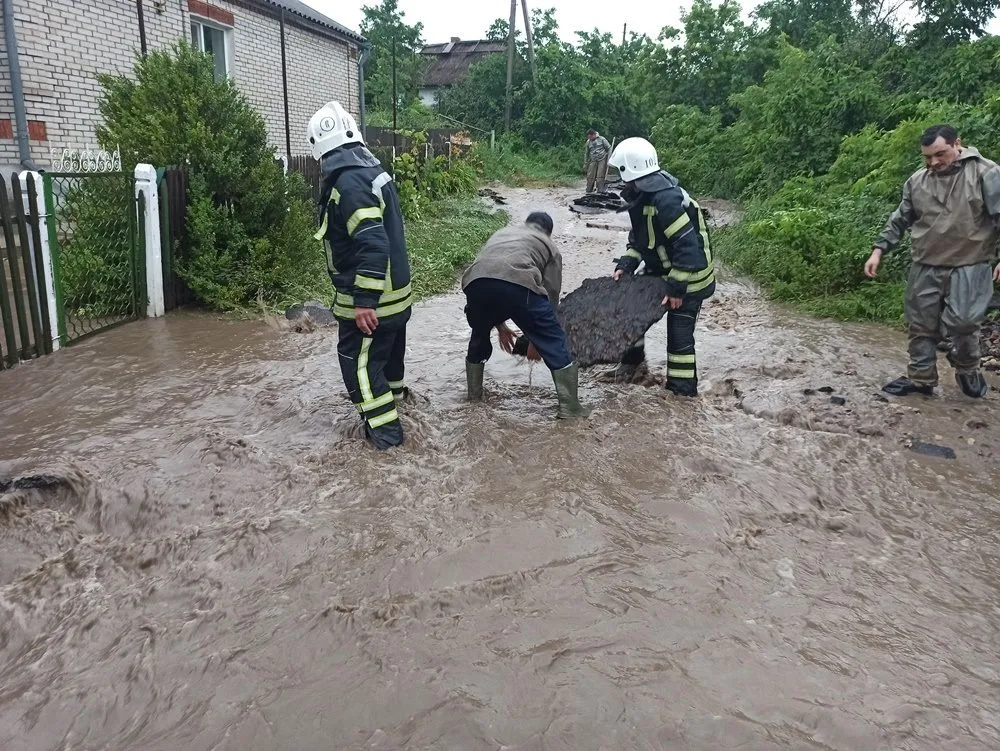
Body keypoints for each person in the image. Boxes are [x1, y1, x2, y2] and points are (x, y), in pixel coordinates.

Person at [865, 124, 1000, 399]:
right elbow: (900, 218)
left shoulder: (986, 173)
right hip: (926, 263)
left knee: (964, 322)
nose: (934, 162)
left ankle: (967, 368)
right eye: (927, 157)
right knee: (921, 324)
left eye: (940, 154)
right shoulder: (917, 181)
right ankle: (921, 378)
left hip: (970, 262)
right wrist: (878, 250)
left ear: (957, 144)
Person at [308, 101, 412, 450]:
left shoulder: (348, 184)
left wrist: (365, 302)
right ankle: (403, 411)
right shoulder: (371, 171)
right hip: (397, 299)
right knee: (387, 366)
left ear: (320, 150)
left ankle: (389, 444)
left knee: (361, 369)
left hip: (373, 306)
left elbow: (372, 242)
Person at [607, 137, 716, 396]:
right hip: (663, 271)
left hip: (689, 277)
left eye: (620, 171)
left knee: (679, 338)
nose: (619, 178)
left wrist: (677, 288)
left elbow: (687, 246)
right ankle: (632, 368)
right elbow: (641, 240)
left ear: (629, 170)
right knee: (630, 310)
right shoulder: (642, 196)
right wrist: (628, 264)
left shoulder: (666, 200)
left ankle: (682, 394)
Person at [461, 212, 588, 419]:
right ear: (549, 232)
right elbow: (551, 293)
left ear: (527, 223)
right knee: (555, 340)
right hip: (519, 285)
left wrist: (498, 324)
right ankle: (571, 410)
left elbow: (492, 275)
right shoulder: (549, 245)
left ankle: (474, 397)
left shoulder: (503, 233)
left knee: (479, 335)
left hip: (475, 283)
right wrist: (537, 337)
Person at [584, 129, 612, 194]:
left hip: (602, 159)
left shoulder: (602, 139)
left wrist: (609, 159)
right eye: (589, 137)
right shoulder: (588, 142)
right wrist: (585, 162)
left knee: (600, 176)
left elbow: (609, 148)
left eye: (591, 137)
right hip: (593, 160)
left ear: (594, 134)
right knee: (590, 176)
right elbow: (586, 153)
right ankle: (589, 190)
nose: (590, 138)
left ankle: (600, 190)